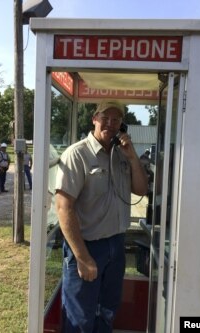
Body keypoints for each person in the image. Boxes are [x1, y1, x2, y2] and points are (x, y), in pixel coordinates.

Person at [55, 100, 148, 333]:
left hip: (116, 245)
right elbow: (64, 208)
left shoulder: (121, 155)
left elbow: (140, 189)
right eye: (105, 117)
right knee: (80, 318)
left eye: (116, 119)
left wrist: (132, 157)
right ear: (94, 119)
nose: (110, 123)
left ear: (122, 125)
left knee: (107, 310)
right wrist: (83, 257)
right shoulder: (77, 154)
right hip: (86, 246)